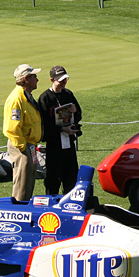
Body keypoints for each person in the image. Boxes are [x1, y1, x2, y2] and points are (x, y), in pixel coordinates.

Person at [37, 65, 83, 197]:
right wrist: (62, 129)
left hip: (69, 144)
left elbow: (79, 116)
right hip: (54, 145)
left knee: (71, 176)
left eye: (65, 80)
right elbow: (44, 124)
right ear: (52, 80)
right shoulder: (45, 98)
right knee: (53, 178)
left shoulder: (68, 94)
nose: (63, 83)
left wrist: (75, 113)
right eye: (60, 80)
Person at [4, 64, 43, 202]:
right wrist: (23, 148)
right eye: (34, 76)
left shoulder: (26, 96)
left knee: (28, 182)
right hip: (22, 146)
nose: (37, 79)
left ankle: (23, 208)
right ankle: (18, 212)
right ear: (26, 79)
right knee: (22, 184)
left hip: (29, 145)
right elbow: (12, 128)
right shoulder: (17, 99)